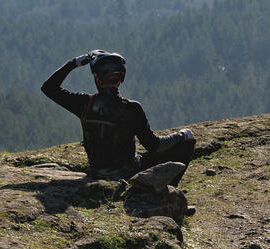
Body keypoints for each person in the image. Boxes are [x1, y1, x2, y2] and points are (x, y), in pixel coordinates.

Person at [41, 50, 196, 183]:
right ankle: (164, 194)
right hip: (129, 172)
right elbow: (154, 145)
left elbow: (49, 88)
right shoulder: (132, 108)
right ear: (121, 78)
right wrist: (181, 135)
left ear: (97, 78)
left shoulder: (84, 104)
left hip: (97, 172)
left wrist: (73, 63)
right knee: (188, 143)